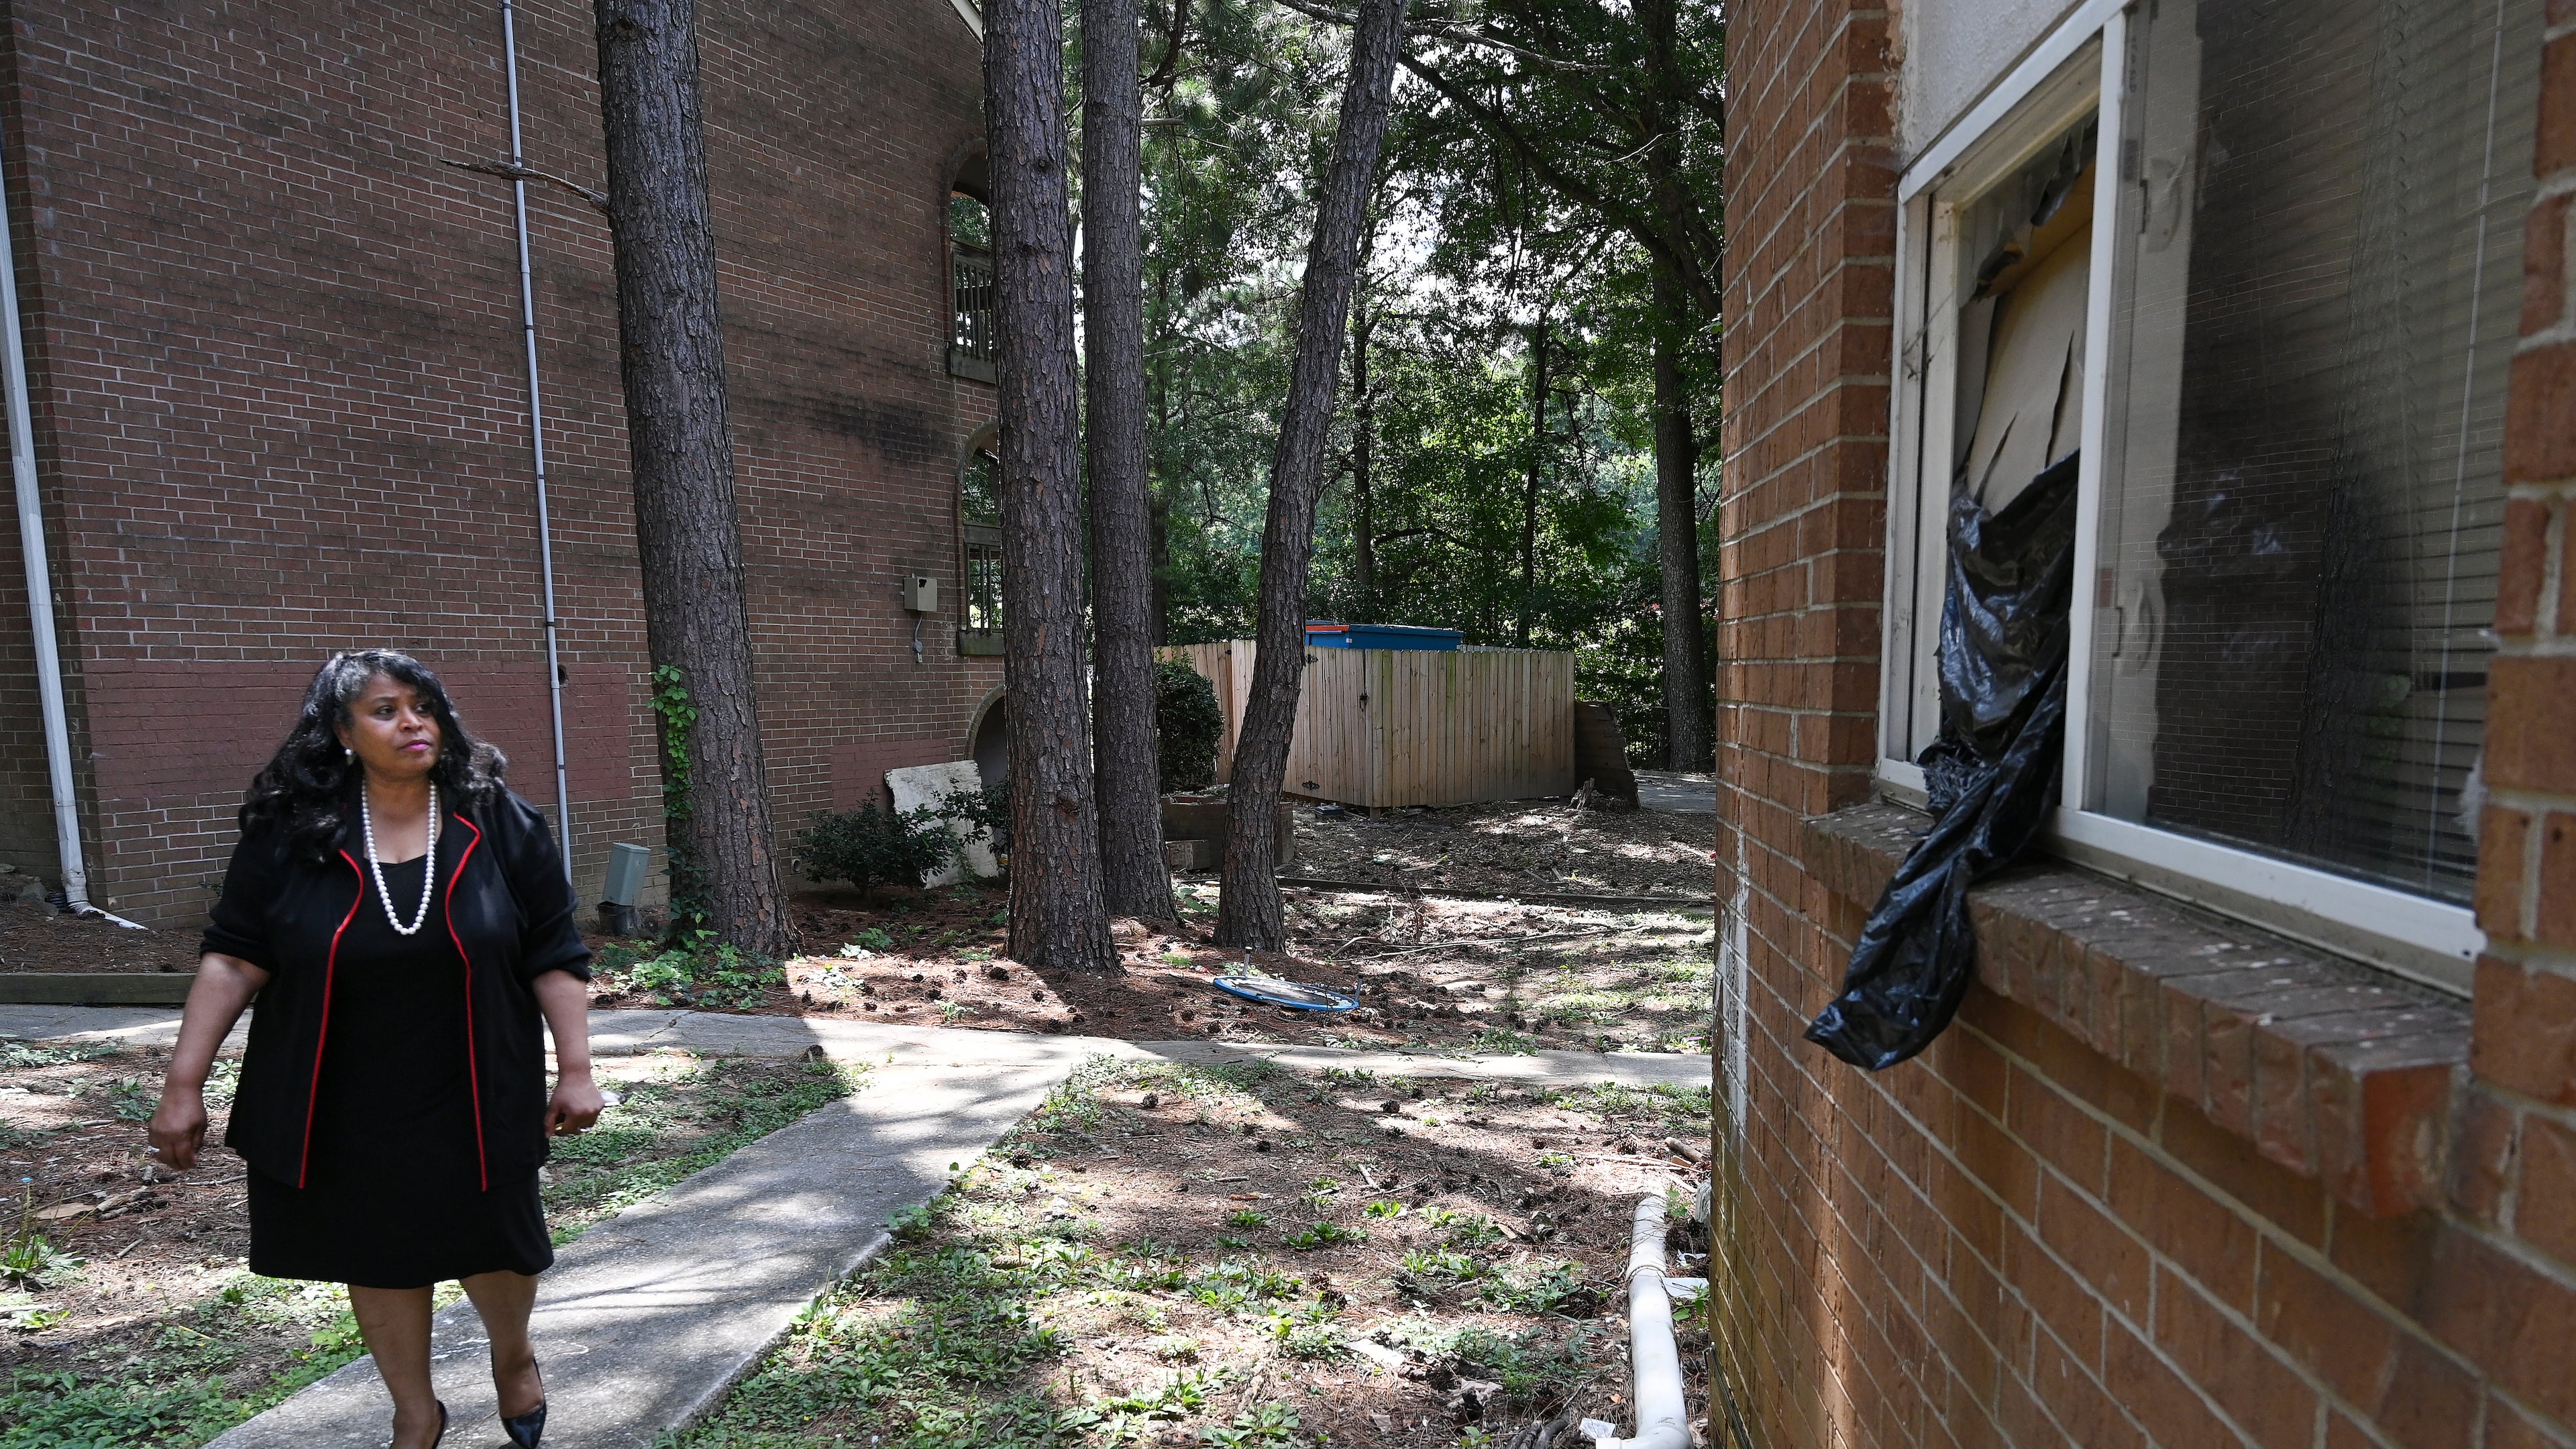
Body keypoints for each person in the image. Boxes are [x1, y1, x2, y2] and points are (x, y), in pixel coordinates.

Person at [150, 650, 601, 1449]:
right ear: (342, 732)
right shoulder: (292, 834)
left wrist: (575, 1069)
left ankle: (513, 1354)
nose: (414, 722)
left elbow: (554, 954)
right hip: (341, 1089)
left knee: (498, 1240)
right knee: (378, 1248)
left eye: (424, 706)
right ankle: (414, 1413)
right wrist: (185, 1082)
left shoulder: (498, 820)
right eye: (387, 710)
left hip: (473, 1077)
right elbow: (233, 956)